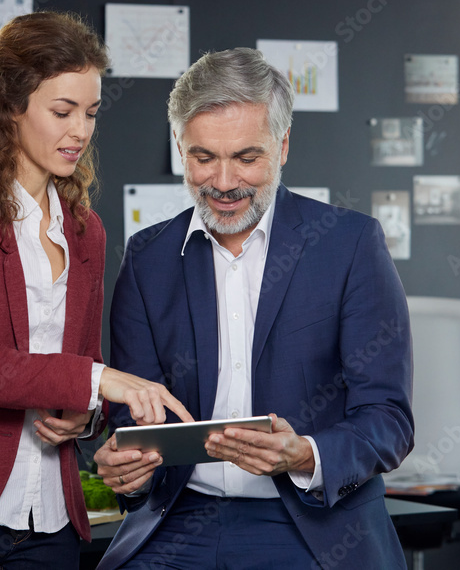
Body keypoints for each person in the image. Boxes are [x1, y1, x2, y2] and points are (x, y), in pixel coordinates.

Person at [0, 11, 191, 570]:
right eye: (63, 111)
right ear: (9, 107)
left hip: (50, 516)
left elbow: (81, 362)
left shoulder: (84, 228)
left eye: (91, 113)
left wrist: (85, 416)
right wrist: (100, 381)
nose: (81, 131)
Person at [93, 48, 414, 569]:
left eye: (247, 157)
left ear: (282, 146)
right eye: (203, 158)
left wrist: (306, 452)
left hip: (310, 525)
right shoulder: (148, 258)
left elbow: (389, 419)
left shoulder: (350, 244)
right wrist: (128, 462)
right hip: (178, 520)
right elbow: (133, 413)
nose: (223, 182)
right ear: (179, 147)